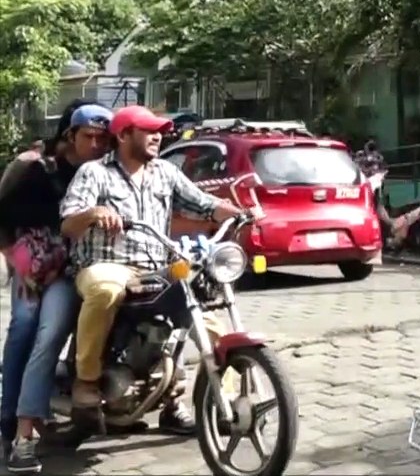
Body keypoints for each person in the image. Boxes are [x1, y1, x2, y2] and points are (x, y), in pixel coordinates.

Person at [59, 105, 247, 436]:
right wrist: (93, 213)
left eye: (160, 131)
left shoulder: (164, 172)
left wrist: (236, 212)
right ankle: (86, 383)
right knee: (105, 290)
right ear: (123, 135)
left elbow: (203, 203)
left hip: (157, 267)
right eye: (148, 130)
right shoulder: (95, 173)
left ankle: (212, 400)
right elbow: (69, 223)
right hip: (106, 264)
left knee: (209, 319)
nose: (158, 136)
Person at [0, 104, 114, 473]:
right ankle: (9, 420)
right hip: (29, 263)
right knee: (24, 326)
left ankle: (36, 411)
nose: (96, 145)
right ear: (69, 135)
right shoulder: (34, 167)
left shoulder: (101, 173)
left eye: (103, 138)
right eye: (89, 137)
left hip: (68, 266)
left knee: (48, 334)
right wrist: (17, 266)